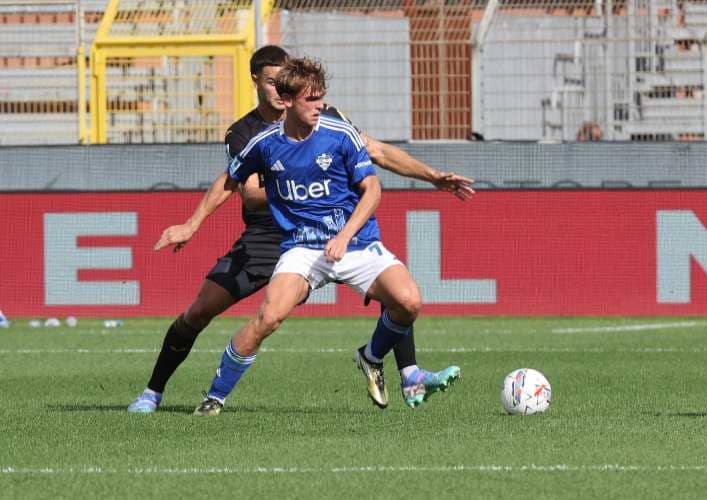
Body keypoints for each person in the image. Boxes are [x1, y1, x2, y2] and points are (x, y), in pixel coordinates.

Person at [127, 46, 473, 414]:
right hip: (270, 236)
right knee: (207, 312)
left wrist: (433, 176)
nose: (280, 90)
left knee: (403, 297)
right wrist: (192, 223)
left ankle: (407, 373)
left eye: (287, 82)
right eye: (274, 82)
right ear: (259, 82)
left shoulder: (332, 123)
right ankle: (157, 392)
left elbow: (379, 156)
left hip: (340, 236)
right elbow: (243, 189)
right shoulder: (249, 135)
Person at [193, 56, 435, 416]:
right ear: (287, 100)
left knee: (409, 302)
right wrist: (191, 222)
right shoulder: (264, 143)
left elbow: (373, 190)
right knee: (268, 318)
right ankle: (214, 397)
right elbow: (229, 180)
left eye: (322, 97)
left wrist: (344, 235)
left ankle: (370, 357)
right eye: (311, 99)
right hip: (303, 249)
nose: (320, 106)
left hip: (355, 243)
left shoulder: (340, 133)